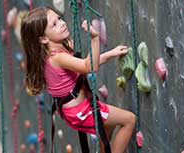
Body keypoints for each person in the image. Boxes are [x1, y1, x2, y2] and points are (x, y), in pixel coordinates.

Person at [21, 7, 136, 153]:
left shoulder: (58, 50)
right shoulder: (57, 57)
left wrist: (111, 54)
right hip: (80, 111)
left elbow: (85, 64)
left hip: (75, 110)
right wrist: (94, 38)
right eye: (54, 25)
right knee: (129, 120)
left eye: (59, 19)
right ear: (44, 39)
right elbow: (89, 66)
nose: (62, 23)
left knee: (108, 127)